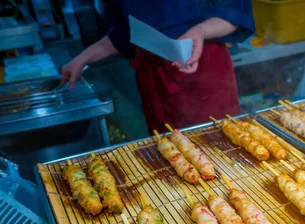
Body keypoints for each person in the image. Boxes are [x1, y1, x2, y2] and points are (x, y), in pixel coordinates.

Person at [61, 2, 254, 133]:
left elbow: (234, 13)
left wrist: (200, 31)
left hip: (202, 70)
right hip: (152, 79)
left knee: (219, 142)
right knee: (167, 150)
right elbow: (125, 33)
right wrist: (82, 59)